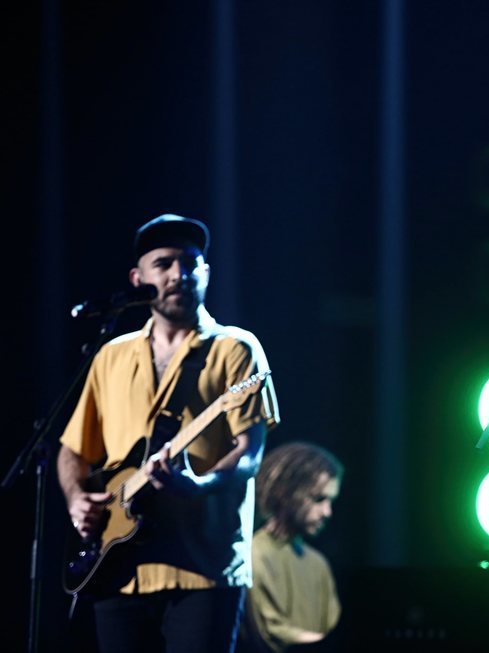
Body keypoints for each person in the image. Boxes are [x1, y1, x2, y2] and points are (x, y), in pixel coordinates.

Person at [57, 214, 280, 653]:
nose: (179, 273)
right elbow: (72, 450)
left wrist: (198, 485)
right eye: (164, 264)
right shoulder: (111, 355)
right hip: (120, 566)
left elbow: (249, 454)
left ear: (207, 273)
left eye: (190, 262)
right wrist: (76, 499)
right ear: (138, 278)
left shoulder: (235, 348)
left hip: (202, 567)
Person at [237, 441, 343, 653]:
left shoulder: (318, 564)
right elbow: (269, 632)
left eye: (330, 501)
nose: (327, 512)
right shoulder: (254, 554)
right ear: (285, 492)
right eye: (318, 499)